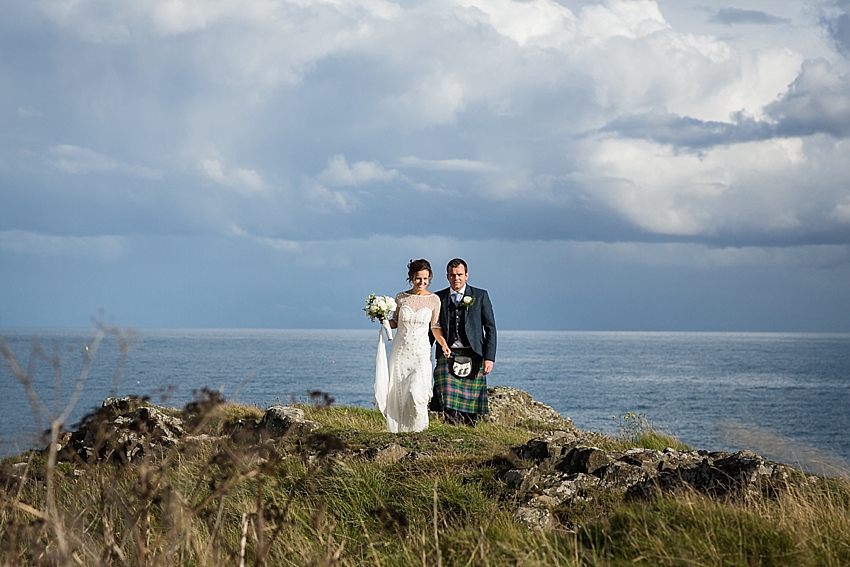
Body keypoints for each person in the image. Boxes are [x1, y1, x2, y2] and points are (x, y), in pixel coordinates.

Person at [374, 259, 451, 432]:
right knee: (400, 395)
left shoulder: (434, 300)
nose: (422, 282)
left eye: (425, 279)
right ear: (411, 277)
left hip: (421, 354)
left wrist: (443, 344)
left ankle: (419, 430)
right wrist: (384, 320)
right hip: (400, 353)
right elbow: (395, 322)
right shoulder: (401, 298)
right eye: (418, 278)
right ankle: (401, 431)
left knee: (417, 394)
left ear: (429, 278)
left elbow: (435, 327)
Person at [432, 258, 496, 425]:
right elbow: (432, 328)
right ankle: (454, 427)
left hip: (474, 353)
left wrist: (489, 358)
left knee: (471, 403)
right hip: (447, 354)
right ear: (447, 276)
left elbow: (490, 328)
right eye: (452, 275)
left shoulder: (480, 295)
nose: (456, 278)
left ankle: (469, 429)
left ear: (466, 275)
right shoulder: (438, 298)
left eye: (460, 274)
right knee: (447, 395)